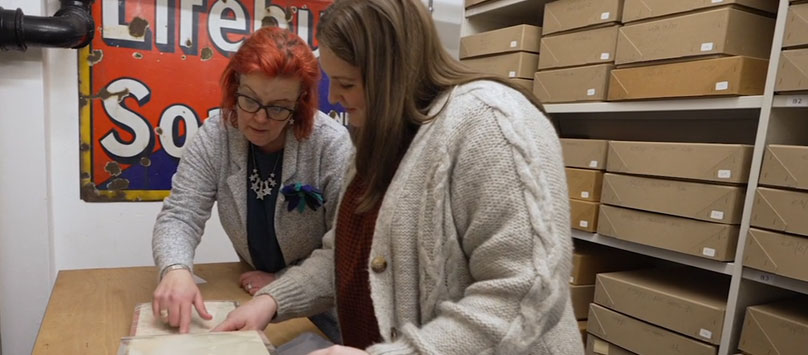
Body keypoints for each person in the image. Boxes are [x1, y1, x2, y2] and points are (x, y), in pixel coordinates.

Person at [212, 1, 584, 354]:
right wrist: (273, 300)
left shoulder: (490, 123)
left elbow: (527, 293)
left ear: (393, 72)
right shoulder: (378, 140)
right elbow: (344, 256)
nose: (334, 96)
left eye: (347, 82)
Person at [150, 26, 352, 340]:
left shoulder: (331, 146)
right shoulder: (216, 135)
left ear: (299, 104)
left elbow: (342, 250)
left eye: (277, 107)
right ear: (235, 88)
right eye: (250, 100)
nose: (260, 119)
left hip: (327, 312)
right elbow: (180, 215)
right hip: (255, 300)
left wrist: (281, 281)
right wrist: (175, 269)